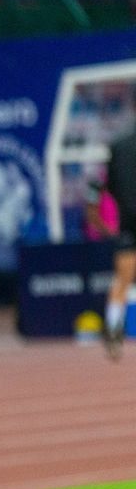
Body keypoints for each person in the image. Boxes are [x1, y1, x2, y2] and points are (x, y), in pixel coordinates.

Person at [98, 128, 136, 359]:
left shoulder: (118, 145)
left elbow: (109, 185)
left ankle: (113, 327)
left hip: (128, 221)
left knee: (122, 278)